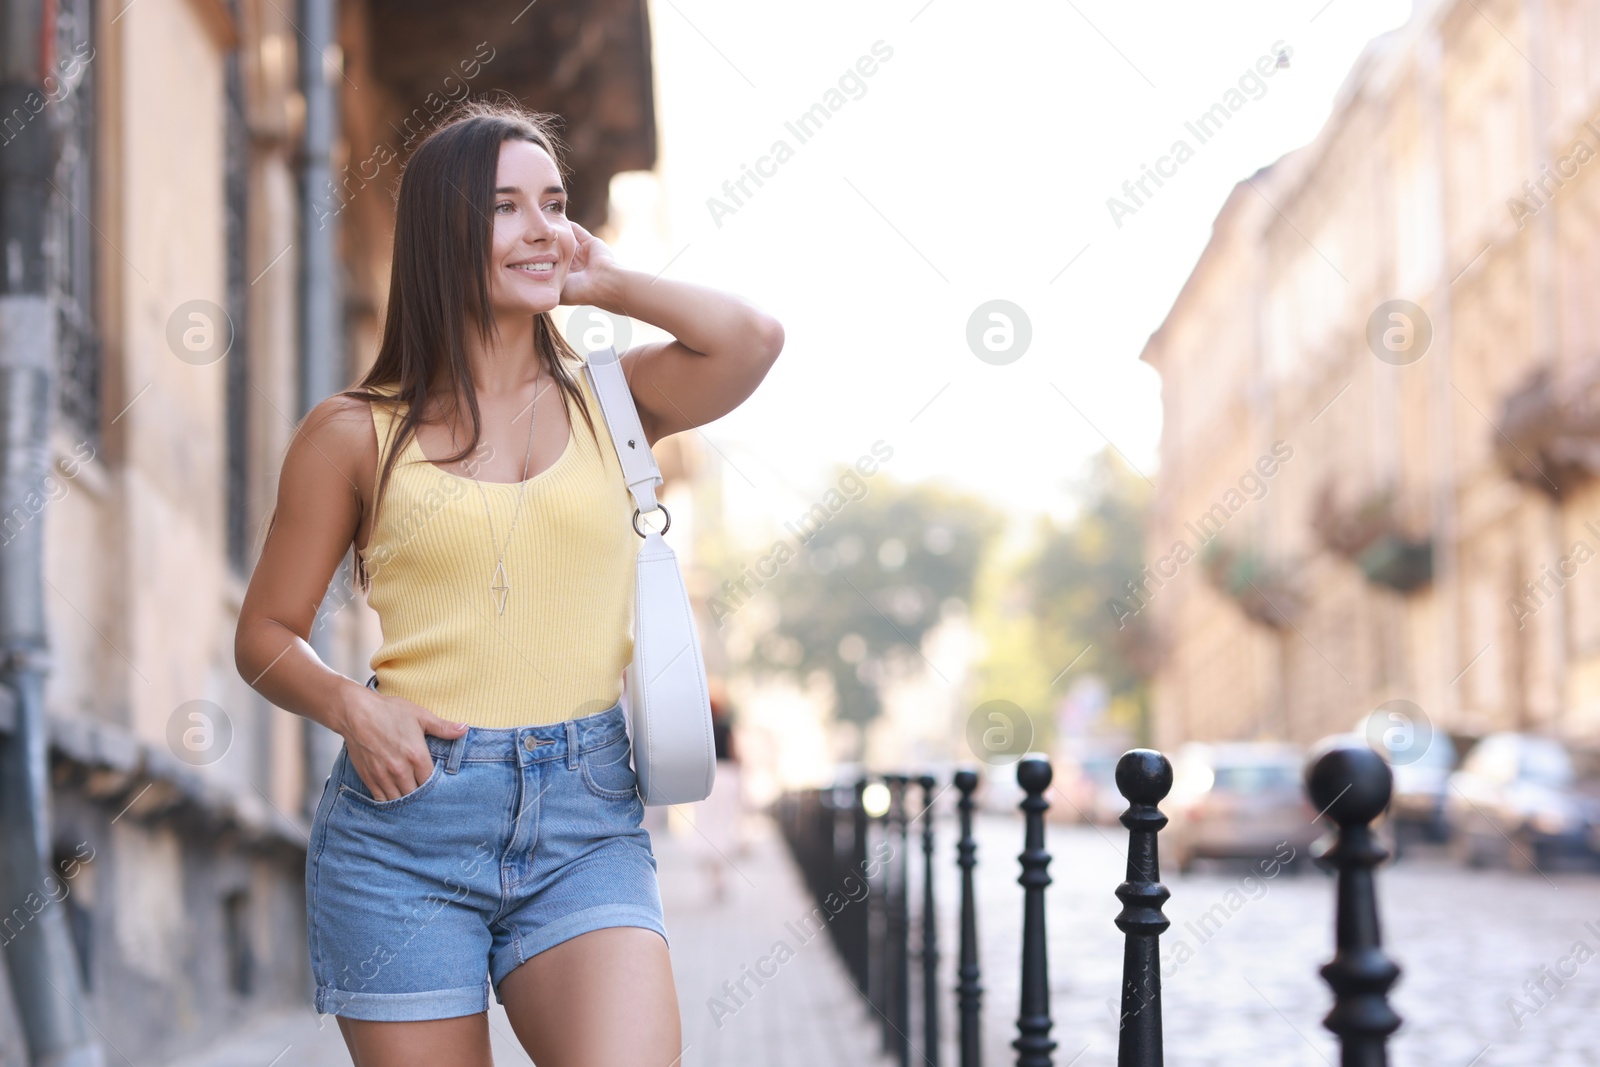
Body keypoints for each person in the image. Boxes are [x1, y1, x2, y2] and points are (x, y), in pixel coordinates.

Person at [233, 98, 782, 1067]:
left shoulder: (617, 398)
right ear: (444, 233)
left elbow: (752, 338)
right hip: (405, 824)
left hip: (585, 814)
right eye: (506, 207)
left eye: (555, 201)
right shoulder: (353, 432)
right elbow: (267, 631)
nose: (543, 226)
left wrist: (605, 276)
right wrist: (351, 709)